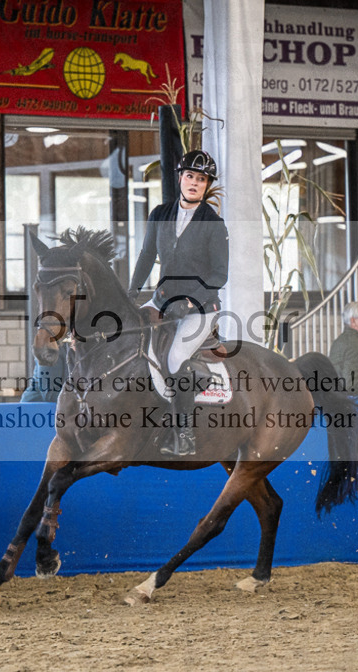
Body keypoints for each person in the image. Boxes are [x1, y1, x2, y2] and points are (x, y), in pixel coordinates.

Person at [127, 150, 229, 456]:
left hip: (201, 307)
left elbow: (219, 274)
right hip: (162, 300)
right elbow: (147, 256)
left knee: (174, 359)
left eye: (202, 179)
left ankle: (184, 433)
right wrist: (131, 293)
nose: (195, 183)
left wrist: (190, 301)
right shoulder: (159, 214)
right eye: (190, 176)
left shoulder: (214, 223)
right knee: (129, 340)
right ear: (180, 178)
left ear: (207, 185)